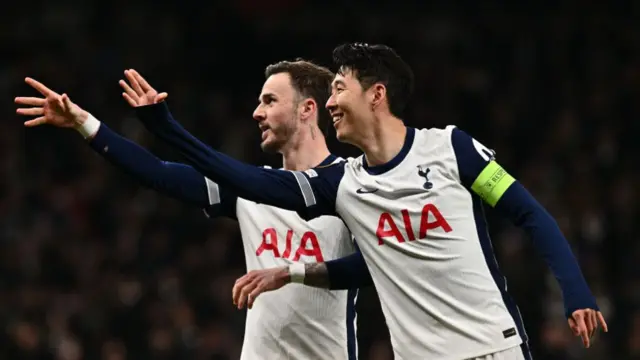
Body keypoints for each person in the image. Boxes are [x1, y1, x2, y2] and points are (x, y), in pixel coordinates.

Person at [57, 44, 607, 360]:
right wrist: (107, 124)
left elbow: (524, 214)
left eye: (268, 99)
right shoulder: (328, 189)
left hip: (490, 347)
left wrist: (576, 291)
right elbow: (182, 176)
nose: (255, 112)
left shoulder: (439, 155)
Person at [15, 60, 374, 360]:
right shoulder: (249, 187)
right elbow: (157, 172)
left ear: (307, 108)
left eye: (269, 100)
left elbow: (371, 268)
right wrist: (83, 122)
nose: (257, 112)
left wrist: (291, 272)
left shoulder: (349, 183)